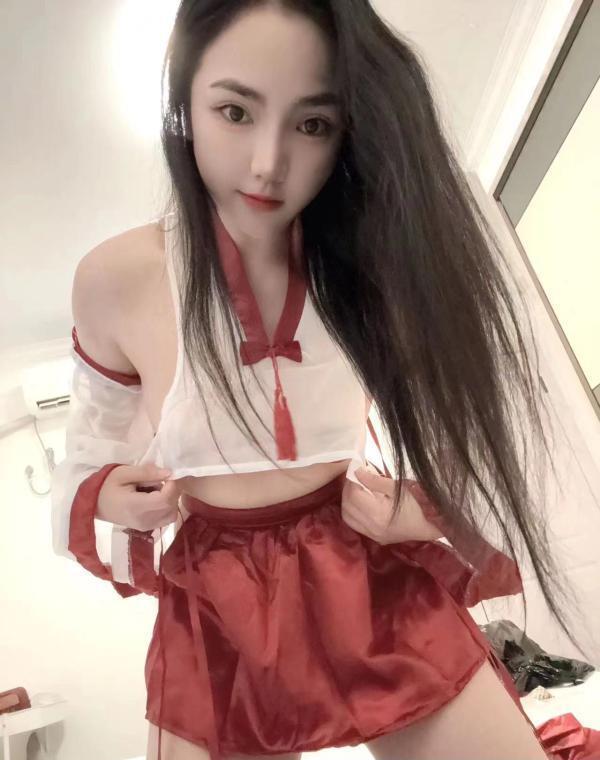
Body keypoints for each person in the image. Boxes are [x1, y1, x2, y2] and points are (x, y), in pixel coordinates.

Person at [51, 1, 584, 758]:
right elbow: (88, 447)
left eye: (311, 123)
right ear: (183, 102)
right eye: (235, 111)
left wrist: (424, 509)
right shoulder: (115, 278)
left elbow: (464, 426)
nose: (268, 164)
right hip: (217, 597)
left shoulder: (378, 259)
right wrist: (107, 493)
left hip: (362, 558)